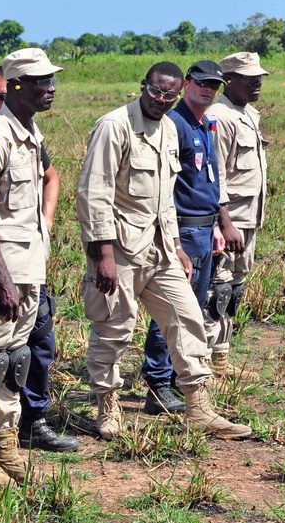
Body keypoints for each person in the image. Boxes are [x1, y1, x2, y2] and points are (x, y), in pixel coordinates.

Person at [76, 61, 251, 441]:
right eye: (156, 91)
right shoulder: (114, 126)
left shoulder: (171, 128)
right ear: (144, 86)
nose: (161, 99)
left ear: (177, 94)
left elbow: (164, 201)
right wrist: (102, 254)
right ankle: (108, 405)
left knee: (187, 317)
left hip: (160, 249)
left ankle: (199, 407)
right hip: (120, 248)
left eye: (169, 95)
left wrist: (176, 247)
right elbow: (93, 194)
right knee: (114, 329)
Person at [0, 49, 78, 492]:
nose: (49, 88)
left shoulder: (30, 132)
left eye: (51, 80)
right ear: (14, 86)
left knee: (16, 360)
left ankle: (5, 442)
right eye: (39, 81)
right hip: (1, 273)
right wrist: (3, 280)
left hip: (30, 267)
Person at [140, 60, 240, 415]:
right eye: (200, 83)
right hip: (181, 229)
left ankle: (177, 381)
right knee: (171, 311)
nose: (207, 90)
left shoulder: (204, 124)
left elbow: (208, 181)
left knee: (192, 310)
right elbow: (166, 187)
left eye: (214, 85)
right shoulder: (175, 124)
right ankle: (157, 383)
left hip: (202, 228)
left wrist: (216, 222)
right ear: (186, 84)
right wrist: (176, 241)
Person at [205, 52, 270, 381]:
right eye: (249, 79)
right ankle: (201, 367)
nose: (257, 83)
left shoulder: (247, 113)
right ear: (228, 80)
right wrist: (223, 222)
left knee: (234, 291)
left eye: (259, 77)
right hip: (230, 221)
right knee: (217, 291)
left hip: (249, 219)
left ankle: (221, 359)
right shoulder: (219, 117)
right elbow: (215, 176)